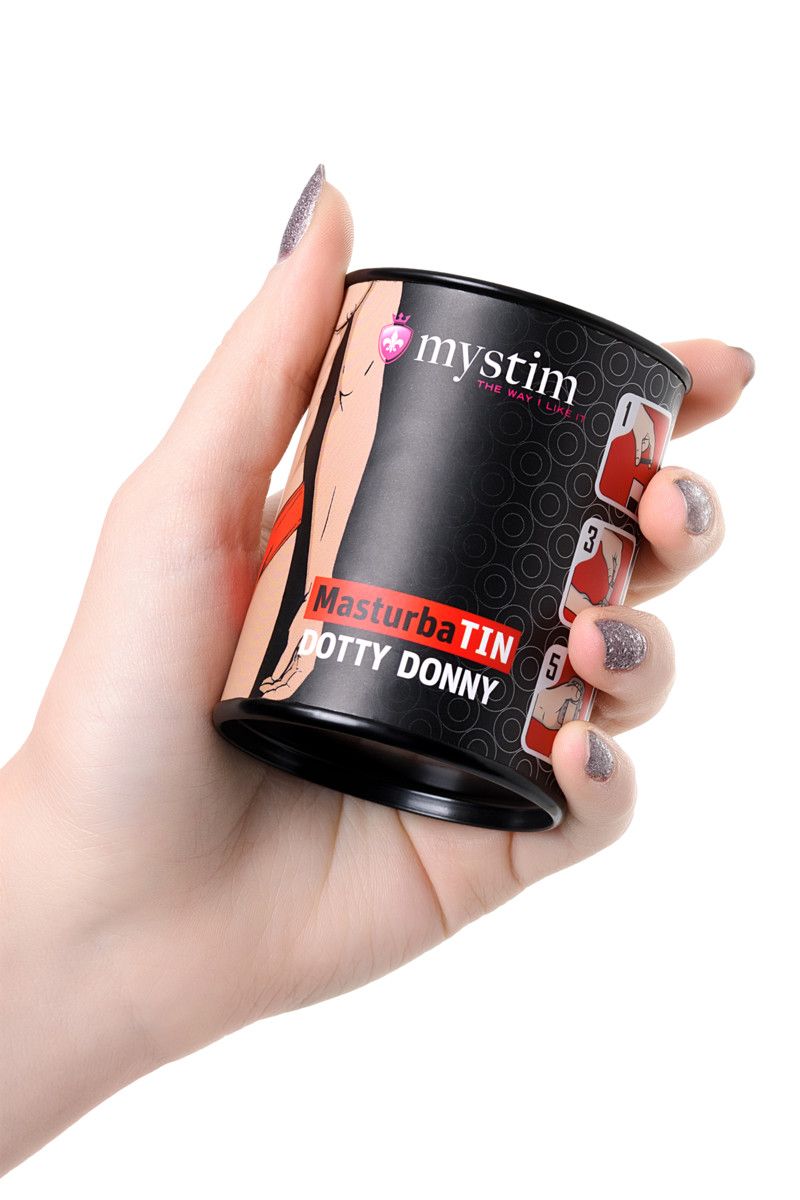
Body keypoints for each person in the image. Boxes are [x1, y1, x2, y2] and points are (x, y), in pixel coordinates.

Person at [0, 164, 754, 1173]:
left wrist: (116, 941)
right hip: (292, 706)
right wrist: (82, 873)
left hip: (459, 756)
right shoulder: (369, 354)